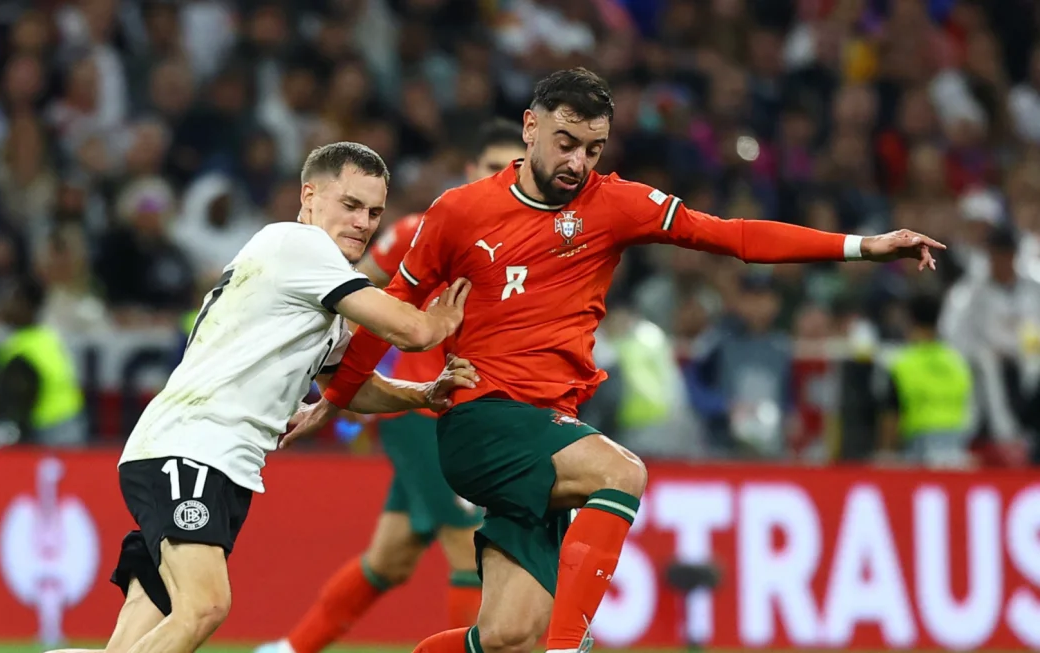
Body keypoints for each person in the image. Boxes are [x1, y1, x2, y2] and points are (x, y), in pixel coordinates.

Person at [283, 68, 944, 653]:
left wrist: (865, 244)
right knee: (621, 472)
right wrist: (336, 400)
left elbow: (734, 237)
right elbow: (387, 306)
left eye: (592, 149)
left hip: (546, 429)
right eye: (565, 142)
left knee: (509, 636)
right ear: (530, 127)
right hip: (482, 420)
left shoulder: (614, 203)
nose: (577, 161)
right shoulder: (459, 213)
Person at [46, 142, 479, 653]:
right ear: (309, 196)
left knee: (138, 637)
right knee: (205, 605)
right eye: (350, 205)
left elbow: (351, 387)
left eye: (374, 211)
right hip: (192, 449)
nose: (363, 222)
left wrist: (424, 392)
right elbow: (408, 330)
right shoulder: (298, 247)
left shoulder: (325, 294)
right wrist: (440, 323)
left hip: (217, 461)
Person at [256, 120, 525, 653]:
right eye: (493, 168)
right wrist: (341, 379)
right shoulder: (418, 231)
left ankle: (291, 650)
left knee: (391, 558)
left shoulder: (527, 244)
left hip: (474, 413)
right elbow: (359, 294)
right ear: (471, 173)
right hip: (423, 414)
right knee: (470, 548)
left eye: (513, 170)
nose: (503, 179)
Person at [0, 275, 87, 447]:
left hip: (48, 436)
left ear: (26, 306)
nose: (6, 306)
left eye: (12, 300)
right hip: (72, 428)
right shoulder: (49, 339)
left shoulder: (21, 353)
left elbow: (13, 406)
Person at [877, 292, 974, 467]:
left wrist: (887, 456)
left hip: (918, 452)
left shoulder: (901, 364)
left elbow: (891, 416)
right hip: (956, 452)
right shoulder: (957, 362)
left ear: (910, 321)